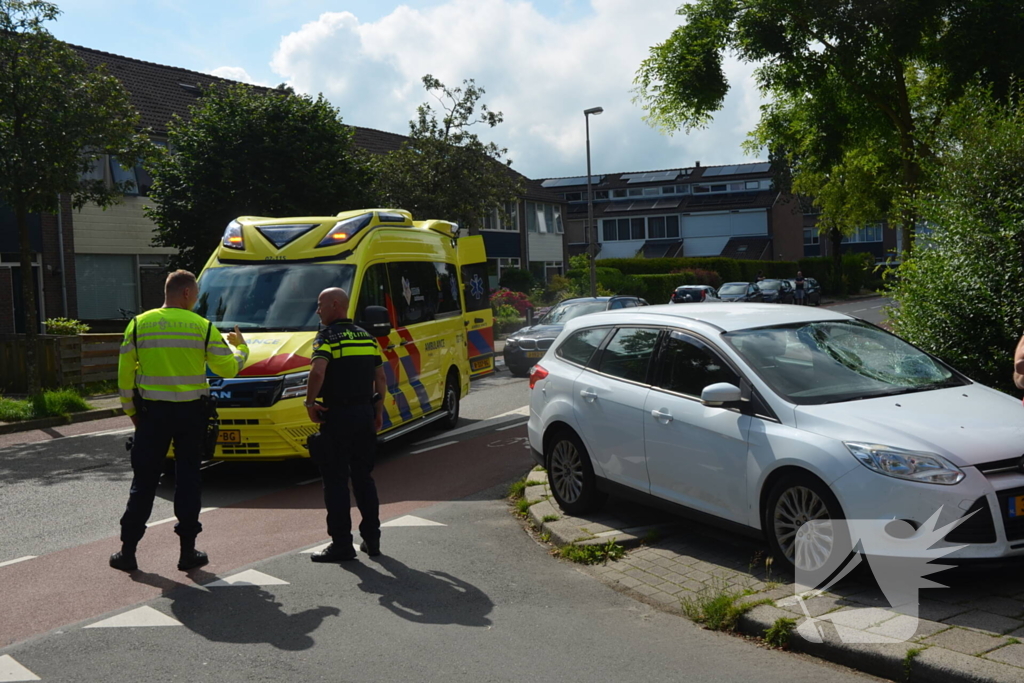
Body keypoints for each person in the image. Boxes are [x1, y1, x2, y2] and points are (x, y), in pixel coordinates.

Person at [110, 270, 249, 572]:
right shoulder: (202, 326)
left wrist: (132, 413)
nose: (197, 299)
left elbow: (124, 377)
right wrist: (242, 349)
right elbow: (227, 368)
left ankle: (128, 552)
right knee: (188, 481)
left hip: (152, 415)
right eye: (197, 294)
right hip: (190, 416)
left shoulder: (138, 325)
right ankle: (188, 553)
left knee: (144, 483)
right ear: (186, 293)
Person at [305, 287, 387, 563]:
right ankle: (372, 539)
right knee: (364, 478)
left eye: (320, 305)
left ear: (335, 305)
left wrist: (309, 403)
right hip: (364, 413)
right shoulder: (367, 337)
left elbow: (318, 371)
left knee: (336, 481)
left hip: (337, 415)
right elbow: (381, 379)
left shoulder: (326, 337)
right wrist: (377, 411)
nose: (317, 310)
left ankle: (342, 544)